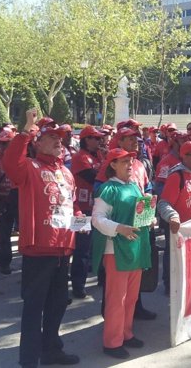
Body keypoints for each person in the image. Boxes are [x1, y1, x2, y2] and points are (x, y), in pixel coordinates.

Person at [1, 110, 81, 368]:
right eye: (52, 137)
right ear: (37, 142)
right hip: (38, 250)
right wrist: (26, 131)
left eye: (61, 137)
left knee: (58, 305)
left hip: (63, 249)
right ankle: (29, 360)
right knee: (34, 308)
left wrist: (84, 221)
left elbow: (72, 206)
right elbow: (10, 162)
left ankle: (51, 351)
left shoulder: (66, 174)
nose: (59, 141)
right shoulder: (29, 167)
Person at [91, 148, 152, 360]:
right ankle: (112, 341)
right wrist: (119, 228)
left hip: (135, 248)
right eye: (124, 161)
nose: (129, 164)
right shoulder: (108, 189)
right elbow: (97, 219)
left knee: (132, 297)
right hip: (115, 249)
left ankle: (126, 333)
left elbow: (139, 214)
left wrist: (149, 219)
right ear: (113, 165)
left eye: (130, 161)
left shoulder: (134, 186)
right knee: (117, 298)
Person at [69, 125, 105, 299]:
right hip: (80, 209)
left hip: (97, 207)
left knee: (100, 245)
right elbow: (94, 178)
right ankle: (78, 284)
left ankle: (102, 278)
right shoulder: (79, 157)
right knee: (81, 249)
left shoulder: (99, 155)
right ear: (86, 140)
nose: (99, 141)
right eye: (95, 138)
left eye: (100, 138)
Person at [159, 141, 191, 233]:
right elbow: (163, 204)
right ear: (184, 157)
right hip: (185, 235)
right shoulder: (176, 176)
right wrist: (172, 216)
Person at [0, 129, 18, 275]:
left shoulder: (21, 157)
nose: (3, 146)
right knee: (4, 233)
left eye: (7, 143)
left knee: (24, 230)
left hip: (19, 197)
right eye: (1, 143)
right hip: (2, 199)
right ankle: (4, 262)